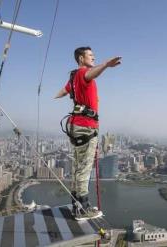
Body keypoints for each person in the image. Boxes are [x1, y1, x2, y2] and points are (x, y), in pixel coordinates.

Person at [55, 47, 121, 220]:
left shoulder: (73, 78)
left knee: (78, 167)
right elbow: (91, 75)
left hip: (76, 125)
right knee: (84, 168)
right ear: (81, 58)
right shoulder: (83, 73)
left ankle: (76, 205)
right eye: (90, 55)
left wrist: (54, 97)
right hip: (86, 126)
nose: (93, 57)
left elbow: (63, 92)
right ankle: (83, 209)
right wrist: (106, 64)